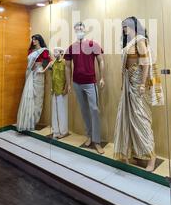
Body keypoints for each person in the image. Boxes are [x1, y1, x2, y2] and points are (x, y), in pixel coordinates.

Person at [113, 16, 164, 171]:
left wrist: (142, 84)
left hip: (137, 85)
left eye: (125, 26)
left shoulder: (140, 40)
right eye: (122, 27)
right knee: (129, 119)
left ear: (134, 26)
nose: (123, 29)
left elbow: (146, 64)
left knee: (141, 120)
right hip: (129, 84)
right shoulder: (130, 42)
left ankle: (151, 158)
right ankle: (136, 154)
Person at [64, 22, 105, 154]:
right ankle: (89, 136)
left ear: (85, 30)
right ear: (74, 30)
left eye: (81, 28)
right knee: (84, 110)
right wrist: (69, 83)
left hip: (90, 82)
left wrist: (102, 77)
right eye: (77, 29)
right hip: (77, 83)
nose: (79, 30)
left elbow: (101, 61)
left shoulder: (93, 45)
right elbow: (67, 66)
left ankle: (97, 141)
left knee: (94, 109)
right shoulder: (71, 47)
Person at [17, 34, 50, 132]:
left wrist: (43, 70)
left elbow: (49, 61)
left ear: (39, 40)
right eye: (32, 40)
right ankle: (27, 121)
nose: (33, 41)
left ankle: (34, 121)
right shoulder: (30, 51)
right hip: (30, 74)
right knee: (28, 96)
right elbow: (29, 64)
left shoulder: (44, 50)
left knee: (38, 97)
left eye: (35, 40)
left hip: (38, 74)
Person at [41, 47, 68, 139]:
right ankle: (55, 130)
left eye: (56, 52)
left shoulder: (65, 62)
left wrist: (67, 87)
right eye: (54, 52)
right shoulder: (53, 63)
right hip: (54, 90)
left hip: (62, 90)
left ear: (61, 52)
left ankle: (63, 131)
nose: (54, 53)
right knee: (55, 110)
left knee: (62, 111)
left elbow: (68, 75)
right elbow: (48, 67)